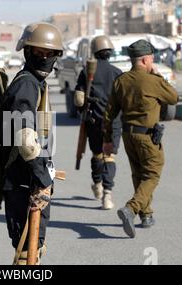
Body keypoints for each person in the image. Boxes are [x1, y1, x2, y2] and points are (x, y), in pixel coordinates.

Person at [0, 23, 63, 264]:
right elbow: (25, 138)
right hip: (23, 180)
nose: (45, 58)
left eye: (50, 53)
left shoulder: (35, 82)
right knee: (28, 250)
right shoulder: (27, 83)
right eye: (39, 52)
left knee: (32, 249)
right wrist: (41, 175)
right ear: (27, 52)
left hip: (28, 177)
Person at [103, 40, 178, 238]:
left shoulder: (121, 80)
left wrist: (108, 139)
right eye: (151, 59)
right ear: (145, 60)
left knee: (138, 174)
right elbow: (173, 97)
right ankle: (131, 208)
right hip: (147, 136)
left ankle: (146, 215)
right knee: (152, 173)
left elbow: (109, 113)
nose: (152, 62)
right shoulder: (153, 81)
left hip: (128, 135)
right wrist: (157, 75)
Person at [74, 35, 123, 210]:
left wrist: (83, 109)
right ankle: (107, 195)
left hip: (94, 120)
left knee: (97, 155)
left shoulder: (87, 71)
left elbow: (79, 99)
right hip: (114, 122)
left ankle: (98, 185)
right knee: (110, 156)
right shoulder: (117, 73)